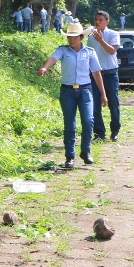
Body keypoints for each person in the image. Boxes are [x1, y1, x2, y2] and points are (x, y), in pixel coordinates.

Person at [37, 21, 107, 168]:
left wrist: (103, 94)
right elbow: (53, 59)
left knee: (88, 121)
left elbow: (96, 73)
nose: (71, 39)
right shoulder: (63, 50)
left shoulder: (89, 52)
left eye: (74, 37)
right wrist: (44, 68)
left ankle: (86, 152)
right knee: (70, 124)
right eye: (69, 36)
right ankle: (70, 156)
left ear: (81, 37)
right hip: (67, 91)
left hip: (85, 91)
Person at [87, 11, 121, 142]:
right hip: (95, 74)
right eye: (96, 19)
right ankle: (99, 133)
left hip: (110, 73)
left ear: (107, 21)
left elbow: (112, 51)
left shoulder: (113, 34)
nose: (97, 22)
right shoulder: (91, 37)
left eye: (100, 19)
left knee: (114, 103)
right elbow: (90, 55)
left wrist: (101, 40)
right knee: (94, 105)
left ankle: (115, 131)